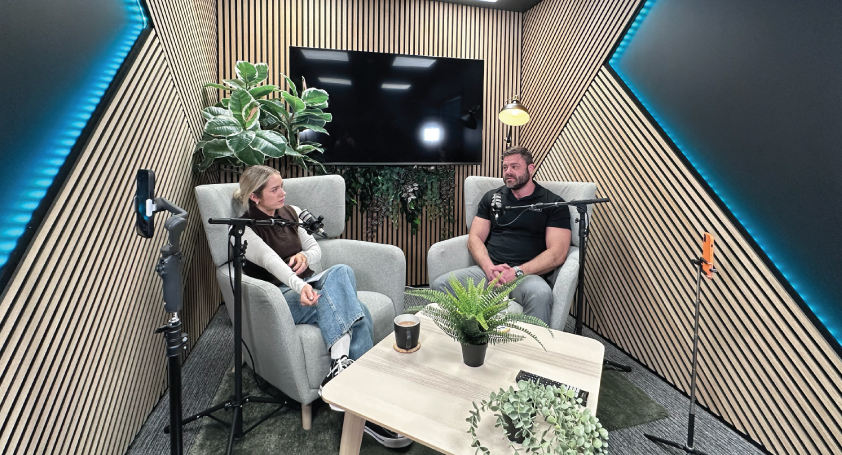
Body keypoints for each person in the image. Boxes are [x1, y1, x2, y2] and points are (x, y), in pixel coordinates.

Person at [233, 165, 411, 448]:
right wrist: (300, 286)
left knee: (341, 270)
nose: (283, 193)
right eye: (275, 189)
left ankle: (341, 374)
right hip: (280, 297)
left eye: (282, 186)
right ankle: (367, 406)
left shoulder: (291, 213)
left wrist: (305, 257)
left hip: (311, 284)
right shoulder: (245, 229)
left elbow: (315, 249)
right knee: (359, 312)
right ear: (255, 197)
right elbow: (272, 263)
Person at [431, 147, 572, 325]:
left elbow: (558, 253)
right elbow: (474, 238)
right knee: (441, 285)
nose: (508, 172)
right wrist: (489, 268)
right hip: (489, 271)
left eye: (514, 167)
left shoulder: (553, 203)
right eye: (505, 167)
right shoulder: (492, 198)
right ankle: (468, 336)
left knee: (541, 294)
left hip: (526, 275)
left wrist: (517, 271)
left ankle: (530, 344)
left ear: (531, 168)